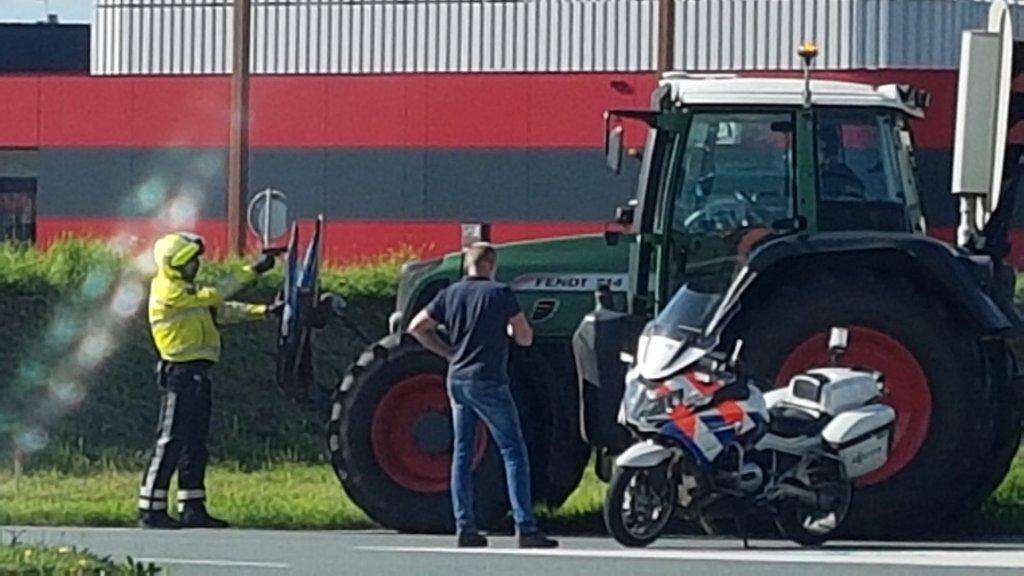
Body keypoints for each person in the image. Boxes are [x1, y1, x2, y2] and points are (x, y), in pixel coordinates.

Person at [407, 243, 558, 549]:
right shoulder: (500, 294)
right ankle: (525, 527)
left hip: (457, 379)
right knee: (513, 451)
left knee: (462, 454)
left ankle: (465, 526)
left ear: (467, 264)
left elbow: (417, 327)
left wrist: (448, 352)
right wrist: (509, 332)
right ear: (491, 264)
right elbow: (525, 338)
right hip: (489, 380)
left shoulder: (449, 294)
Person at [138, 232, 277, 529]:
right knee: (170, 440)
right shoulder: (168, 290)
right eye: (189, 261)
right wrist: (253, 269)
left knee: (195, 443)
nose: (196, 265)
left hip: (198, 374)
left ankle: (192, 507)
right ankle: (150, 509)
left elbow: (222, 311)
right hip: (180, 373)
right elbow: (216, 295)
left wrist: (265, 311)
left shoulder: (189, 290)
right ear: (174, 265)